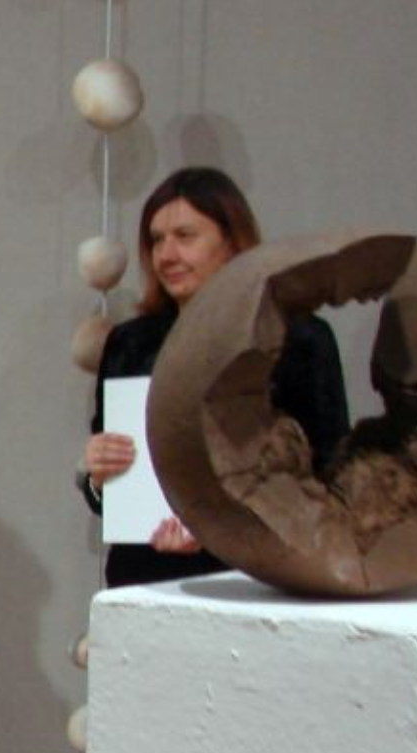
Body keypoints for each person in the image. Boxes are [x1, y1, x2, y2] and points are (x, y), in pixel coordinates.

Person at [79, 166, 349, 587]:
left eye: (185, 236)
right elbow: (111, 498)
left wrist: (216, 530)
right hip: (144, 578)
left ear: (232, 242)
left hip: (256, 579)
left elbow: (330, 475)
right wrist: (98, 477)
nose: (166, 254)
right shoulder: (129, 344)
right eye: (156, 240)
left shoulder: (297, 338)